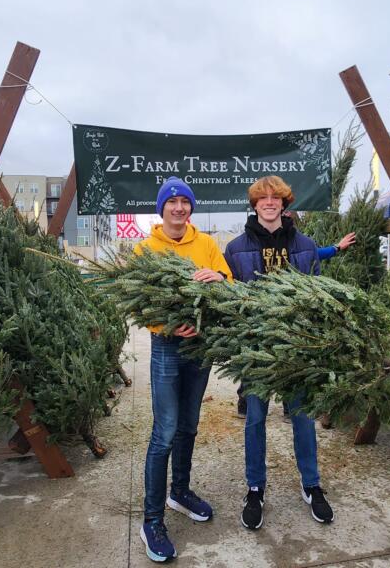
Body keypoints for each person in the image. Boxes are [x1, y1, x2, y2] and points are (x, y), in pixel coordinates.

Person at [224, 175, 334, 530]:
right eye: (262, 198)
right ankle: (255, 488)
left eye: (276, 198)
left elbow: (318, 297)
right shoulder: (236, 249)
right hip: (257, 351)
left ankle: (311, 484)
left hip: (297, 349)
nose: (269, 203)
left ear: (285, 204)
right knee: (255, 419)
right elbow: (230, 302)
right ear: (254, 204)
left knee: (303, 418)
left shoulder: (305, 245)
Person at [136, 176, 232, 563]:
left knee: (190, 425)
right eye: (172, 202)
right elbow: (140, 303)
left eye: (185, 202)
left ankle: (181, 491)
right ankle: (152, 521)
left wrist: (220, 278)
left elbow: (230, 283)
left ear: (191, 208)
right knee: (165, 432)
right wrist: (167, 325)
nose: (179, 207)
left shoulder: (206, 244)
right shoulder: (146, 249)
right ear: (162, 209)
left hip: (200, 348)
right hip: (167, 349)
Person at [234, 231, 356, 419]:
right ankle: (245, 403)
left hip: (289, 306)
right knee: (254, 358)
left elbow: (312, 253)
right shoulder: (250, 245)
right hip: (260, 307)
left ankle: (290, 406)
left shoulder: (296, 243)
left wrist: (336, 248)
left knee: (289, 356)